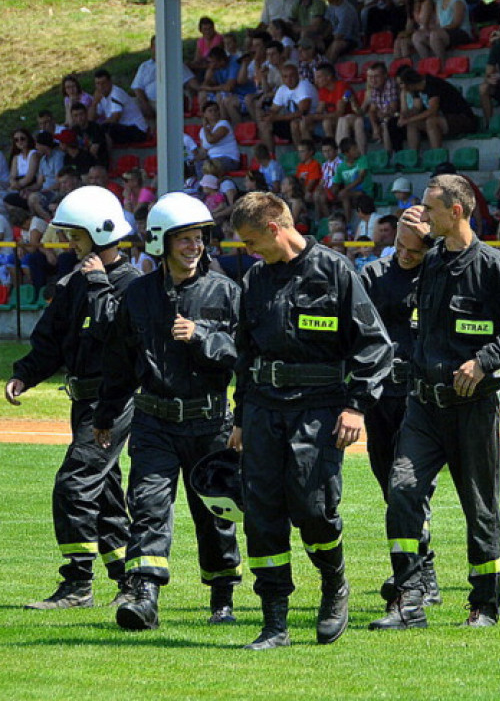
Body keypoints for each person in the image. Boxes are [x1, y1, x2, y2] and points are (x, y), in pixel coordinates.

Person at [368, 174, 500, 631]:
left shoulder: (492, 266)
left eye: (429, 209)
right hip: (422, 407)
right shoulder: (429, 263)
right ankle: (408, 601)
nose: (423, 217)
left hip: (472, 409)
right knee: (403, 492)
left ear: (457, 211)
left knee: (480, 507)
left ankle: (484, 605)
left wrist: (486, 361)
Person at [229, 191, 393, 650]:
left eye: (251, 240)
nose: (248, 250)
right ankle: (274, 621)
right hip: (263, 408)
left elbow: (374, 346)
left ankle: (333, 583)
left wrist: (357, 405)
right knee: (261, 515)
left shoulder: (335, 271)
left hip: (318, 409)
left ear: (275, 228)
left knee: (312, 505)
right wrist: (240, 416)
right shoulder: (254, 280)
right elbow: (246, 354)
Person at [92, 193, 242, 631]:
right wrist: (105, 415)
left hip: (212, 422)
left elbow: (243, 356)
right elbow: (119, 362)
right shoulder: (137, 295)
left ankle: (223, 599)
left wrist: (202, 336)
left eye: (198, 238)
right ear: (160, 242)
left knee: (215, 513)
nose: (194, 247)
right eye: (184, 240)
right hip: (154, 421)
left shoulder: (228, 292)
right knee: (149, 506)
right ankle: (144, 596)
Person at [5, 185, 138, 609]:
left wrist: (98, 281)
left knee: (74, 484)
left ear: (100, 232)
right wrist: (24, 375)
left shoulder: (133, 285)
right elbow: (51, 340)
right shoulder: (73, 280)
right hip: (83, 401)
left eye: (75, 235)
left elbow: (111, 332)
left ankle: (78, 584)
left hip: (112, 402)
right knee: (104, 492)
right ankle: (127, 579)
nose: (69, 242)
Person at [360, 207, 442, 606]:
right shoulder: (373, 276)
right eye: (400, 247)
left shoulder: (438, 273)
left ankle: (420, 574)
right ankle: (416, 570)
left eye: (415, 250)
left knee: (409, 487)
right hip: (380, 399)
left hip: (419, 399)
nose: (406, 256)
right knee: (389, 488)